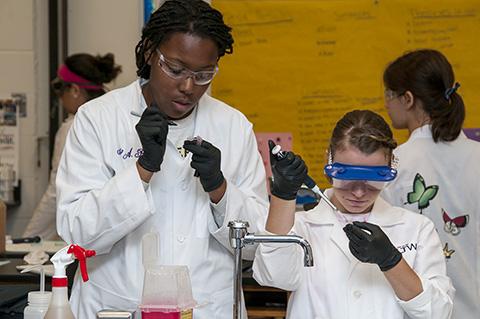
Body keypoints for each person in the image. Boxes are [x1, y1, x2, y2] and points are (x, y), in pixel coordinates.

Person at [55, 0, 268, 317]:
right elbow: (76, 232)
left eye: (204, 74)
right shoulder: (98, 119)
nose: (188, 87)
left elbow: (257, 247)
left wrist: (220, 190)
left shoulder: (233, 127)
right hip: (117, 307)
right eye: (176, 69)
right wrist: (141, 171)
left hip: (208, 308)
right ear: (149, 53)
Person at [252, 110, 454, 319]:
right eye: (346, 178)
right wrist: (283, 195)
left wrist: (391, 261)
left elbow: (438, 313)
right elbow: (275, 277)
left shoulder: (417, 228)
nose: (358, 192)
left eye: (374, 179)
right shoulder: (301, 225)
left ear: (391, 166)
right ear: (328, 161)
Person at [381, 49, 480, 319]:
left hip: (418, 310)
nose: (386, 104)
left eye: (389, 95)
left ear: (408, 99)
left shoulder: (394, 165)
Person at [23, 53, 121, 240]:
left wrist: (29, 238)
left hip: (88, 229)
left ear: (75, 90)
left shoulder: (74, 127)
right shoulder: (115, 118)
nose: (60, 98)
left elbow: (56, 194)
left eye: (61, 90)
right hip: (114, 226)